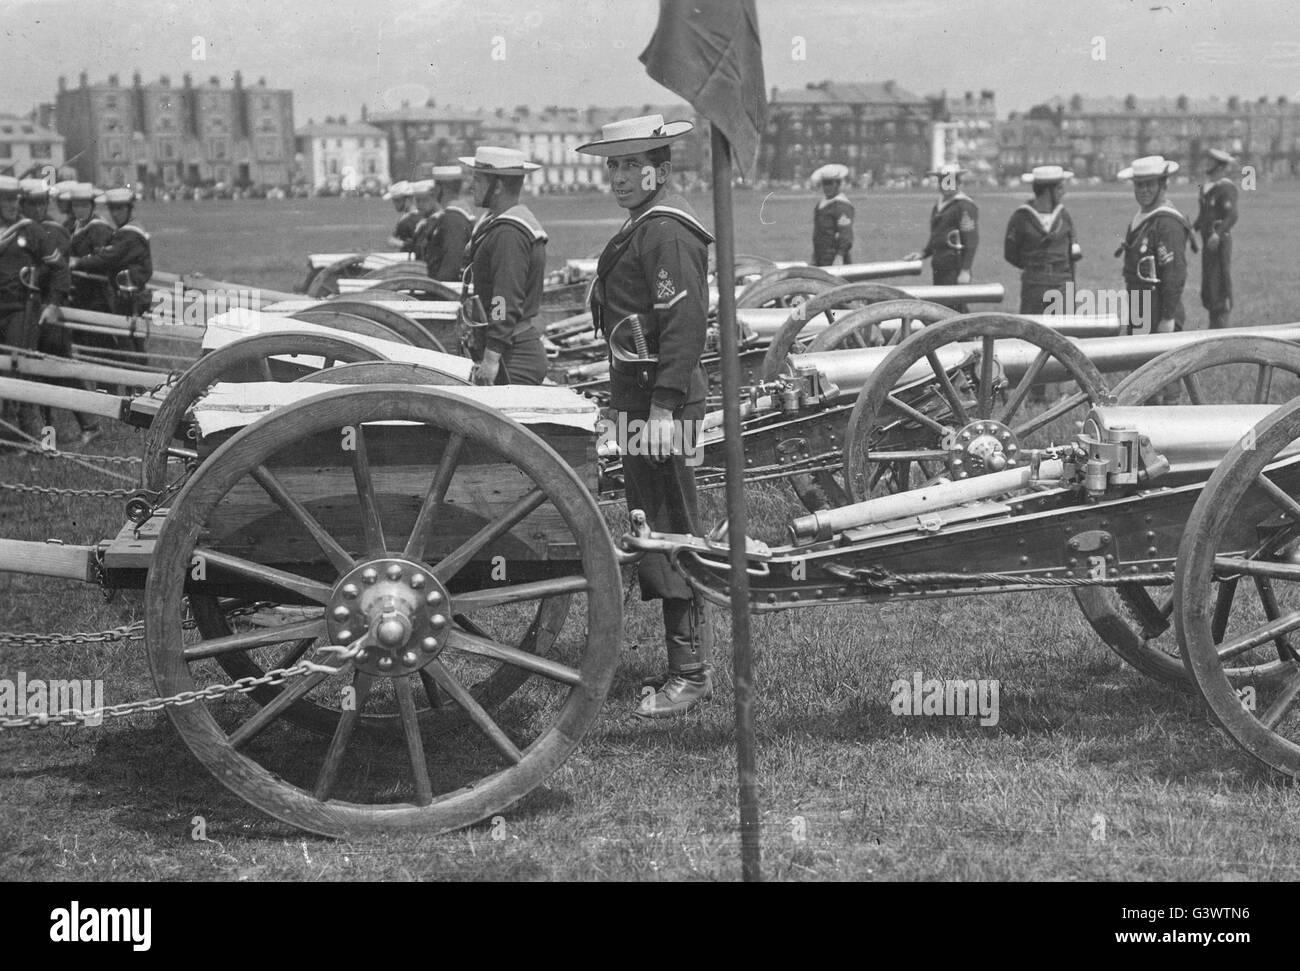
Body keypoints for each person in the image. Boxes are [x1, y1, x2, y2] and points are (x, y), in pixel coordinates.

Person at [575, 113, 716, 718]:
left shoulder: (667, 231)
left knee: (672, 525)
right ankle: (680, 664)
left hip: (664, 403)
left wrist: (661, 407)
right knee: (650, 520)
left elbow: (684, 327)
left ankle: (691, 674)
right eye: (614, 164)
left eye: (633, 164)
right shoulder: (642, 227)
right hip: (641, 397)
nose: (621, 176)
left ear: (660, 168)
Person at [456, 147, 549, 386]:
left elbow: (504, 298)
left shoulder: (508, 233)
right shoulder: (502, 224)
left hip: (512, 355)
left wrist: (491, 357)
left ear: (497, 186)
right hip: (511, 347)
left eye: (477, 179)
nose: (471, 186)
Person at [19, 179, 100, 444]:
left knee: (59, 368)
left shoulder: (54, 231)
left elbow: (57, 272)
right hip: (25, 310)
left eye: (43, 202)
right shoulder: (18, 229)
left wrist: (51, 302)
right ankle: (46, 434)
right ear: (23, 204)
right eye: (33, 203)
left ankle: (90, 423)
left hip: (51, 309)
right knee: (33, 372)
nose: (39, 208)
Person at [0, 175, 69, 445]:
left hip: (21, 309)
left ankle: (33, 439)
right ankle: (6, 437)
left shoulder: (30, 230)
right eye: (3, 199)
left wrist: (53, 304)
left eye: (12, 199)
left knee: (20, 370)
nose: (9, 204)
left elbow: (59, 268)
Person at [1116, 155, 1194, 336]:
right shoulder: (1141, 217)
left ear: (1163, 185)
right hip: (1140, 306)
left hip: (1158, 310)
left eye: (1149, 184)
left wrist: (1167, 318)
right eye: (1138, 185)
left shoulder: (1167, 223)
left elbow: (1174, 273)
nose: (1143, 190)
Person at [1003, 165, 1082, 315]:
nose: (1063, 192)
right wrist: (1035, 267)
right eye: (1059, 188)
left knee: (1064, 331)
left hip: (1061, 285)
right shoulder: (1022, 217)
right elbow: (1011, 254)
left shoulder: (1063, 216)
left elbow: (1072, 256)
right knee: (1032, 332)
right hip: (1034, 286)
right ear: (1047, 191)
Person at [68, 186, 153, 319]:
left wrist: (77, 262)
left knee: (126, 337)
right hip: (125, 294)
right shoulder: (125, 230)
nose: (115, 214)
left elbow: (107, 257)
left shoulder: (130, 233)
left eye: (119, 209)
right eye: (111, 208)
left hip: (132, 299)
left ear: (129, 208)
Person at [903, 162, 978, 312]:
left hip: (954, 265)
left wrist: (965, 270)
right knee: (943, 305)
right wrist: (923, 253)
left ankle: (969, 335)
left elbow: (971, 240)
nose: (945, 184)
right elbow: (937, 236)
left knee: (955, 306)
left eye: (949, 180)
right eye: (942, 180)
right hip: (939, 264)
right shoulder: (940, 205)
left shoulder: (964, 206)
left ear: (958, 182)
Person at [1193, 148, 1239, 329]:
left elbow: (1232, 215)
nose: (1207, 164)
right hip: (1207, 242)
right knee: (1209, 281)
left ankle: (1221, 321)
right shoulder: (1206, 188)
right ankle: (1214, 322)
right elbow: (1203, 215)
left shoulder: (1225, 188)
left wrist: (1217, 234)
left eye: (1211, 162)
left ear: (1220, 166)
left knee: (1219, 280)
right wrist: (1192, 228)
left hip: (1219, 241)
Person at [423, 165, 474, 282]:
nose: (432, 191)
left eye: (434, 186)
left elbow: (451, 266)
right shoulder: (455, 215)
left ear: (442, 188)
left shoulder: (453, 219)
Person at [809, 162, 854, 265]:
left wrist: (840, 256)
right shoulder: (821, 205)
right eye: (824, 183)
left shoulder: (842, 206)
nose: (826, 187)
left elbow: (846, 235)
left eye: (830, 183)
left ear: (837, 184)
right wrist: (814, 258)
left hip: (835, 259)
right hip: (820, 258)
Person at [406, 180, 439, 264]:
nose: (420, 204)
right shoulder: (422, 224)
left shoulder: (438, 222)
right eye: (417, 200)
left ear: (434, 198)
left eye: (425, 200)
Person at [384, 181, 420, 252]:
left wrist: (401, 243)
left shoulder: (405, 220)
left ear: (407, 200)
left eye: (396, 200)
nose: (394, 204)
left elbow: (392, 241)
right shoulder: (422, 214)